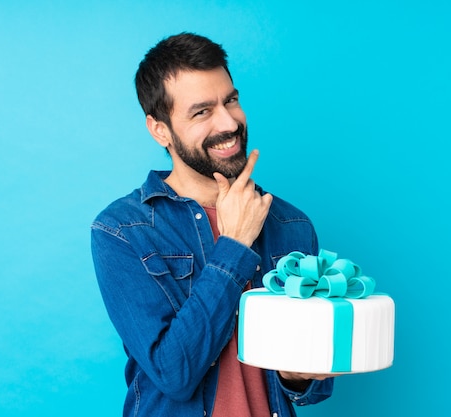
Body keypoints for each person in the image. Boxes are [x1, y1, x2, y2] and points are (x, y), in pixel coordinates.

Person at [91, 32, 334, 417]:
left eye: (231, 100)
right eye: (202, 111)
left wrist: (299, 376)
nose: (229, 122)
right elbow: (174, 374)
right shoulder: (121, 231)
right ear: (160, 130)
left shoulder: (291, 224)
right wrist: (235, 246)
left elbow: (313, 385)